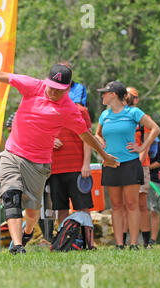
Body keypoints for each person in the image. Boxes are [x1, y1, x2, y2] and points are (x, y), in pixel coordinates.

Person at [0, 59, 120, 255]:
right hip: (13, 153)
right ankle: (18, 246)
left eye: (60, 89)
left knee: (33, 211)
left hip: (39, 163)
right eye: (52, 87)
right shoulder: (32, 86)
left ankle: (26, 232)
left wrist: (104, 156)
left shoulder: (69, 109)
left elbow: (85, 134)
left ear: (68, 88)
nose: (54, 92)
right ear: (46, 81)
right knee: (11, 196)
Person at [95, 81, 160, 250]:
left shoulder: (133, 112)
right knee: (116, 206)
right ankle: (119, 244)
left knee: (132, 205)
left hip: (130, 164)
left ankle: (133, 244)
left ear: (114, 95)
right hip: (110, 164)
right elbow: (97, 134)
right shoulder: (104, 115)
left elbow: (155, 129)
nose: (102, 95)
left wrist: (142, 148)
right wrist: (102, 144)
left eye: (105, 93)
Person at [50, 61, 94, 227]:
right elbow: (38, 135)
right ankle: (64, 239)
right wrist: (50, 140)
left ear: (69, 88)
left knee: (83, 207)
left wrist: (86, 164)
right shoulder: (47, 110)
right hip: (55, 168)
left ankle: (87, 239)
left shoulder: (80, 110)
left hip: (77, 167)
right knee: (61, 209)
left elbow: (88, 138)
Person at [125, 87, 153, 248]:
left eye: (132, 97)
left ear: (137, 100)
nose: (129, 99)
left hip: (141, 165)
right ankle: (123, 241)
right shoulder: (119, 116)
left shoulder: (144, 118)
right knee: (124, 203)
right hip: (124, 165)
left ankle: (147, 241)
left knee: (141, 204)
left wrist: (138, 162)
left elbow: (146, 144)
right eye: (127, 96)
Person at [147, 137, 160, 246]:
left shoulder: (156, 143)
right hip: (138, 179)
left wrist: (145, 168)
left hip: (155, 180)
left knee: (155, 210)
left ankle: (152, 241)